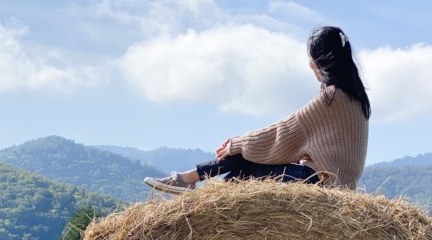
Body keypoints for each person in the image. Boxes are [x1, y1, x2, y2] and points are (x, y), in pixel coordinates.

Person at [144, 26, 370, 192]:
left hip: (319, 181)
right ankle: (195, 187)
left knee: (248, 161)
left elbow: (284, 132)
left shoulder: (331, 97)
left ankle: (190, 181)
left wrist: (239, 144)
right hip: (334, 186)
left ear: (319, 60)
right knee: (249, 158)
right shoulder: (357, 99)